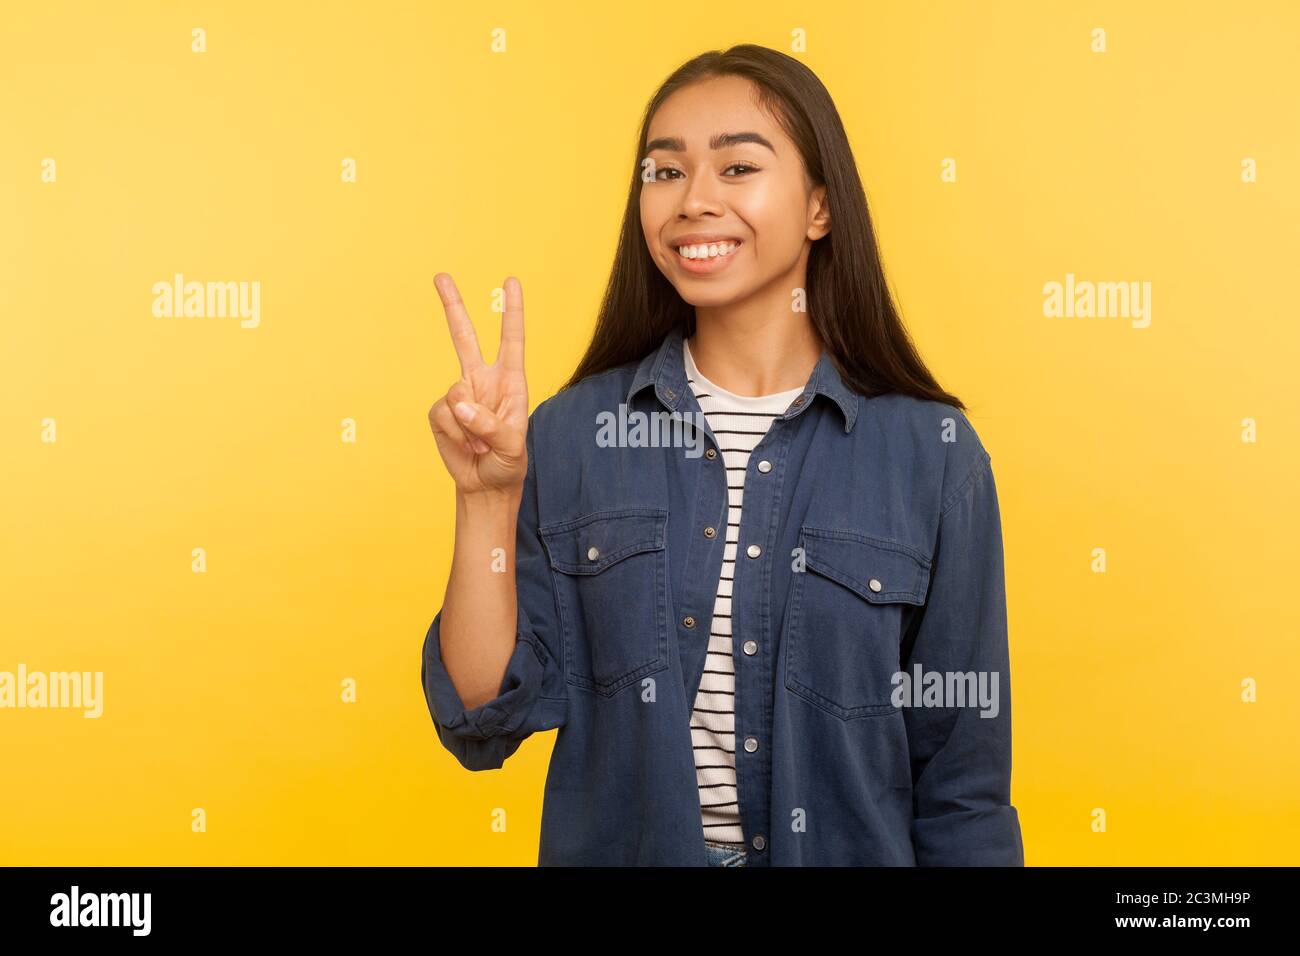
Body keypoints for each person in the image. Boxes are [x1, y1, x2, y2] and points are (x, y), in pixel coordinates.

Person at [422, 44, 1024, 867]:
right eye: (663, 173)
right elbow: (483, 717)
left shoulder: (933, 454)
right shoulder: (571, 436)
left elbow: (964, 789)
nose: (693, 201)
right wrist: (484, 501)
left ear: (819, 206)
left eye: (738, 167)